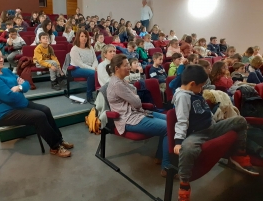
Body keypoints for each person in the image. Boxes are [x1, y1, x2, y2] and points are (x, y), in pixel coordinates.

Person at [172, 65, 258, 201]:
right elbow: (182, 120)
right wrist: (178, 141)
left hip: (211, 128)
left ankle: (238, 154)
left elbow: (206, 113)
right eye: (200, 86)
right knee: (187, 148)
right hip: (197, 133)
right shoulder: (183, 97)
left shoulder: (194, 92)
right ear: (192, 84)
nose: (201, 89)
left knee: (240, 121)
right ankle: (184, 184)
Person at [0, 46, 73, 158]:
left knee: (45, 109)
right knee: (39, 116)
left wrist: (19, 88)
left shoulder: (6, 71)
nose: (1, 59)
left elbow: (26, 83)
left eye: (1, 56)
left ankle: (59, 140)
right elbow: (11, 97)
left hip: (15, 105)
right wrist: (19, 88)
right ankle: (55, 147)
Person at [107, 54, 170, 176]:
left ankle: (160, 157)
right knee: (168, 128)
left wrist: (134, 95)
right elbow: (137, 101)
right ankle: (166, 166)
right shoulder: (117, 84)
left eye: (128, 65)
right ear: (116, 68)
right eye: (126, 65)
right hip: (128, 119)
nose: (129, 67)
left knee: (170, 121)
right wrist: (134, 96)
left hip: (137, 112)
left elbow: (134, 94)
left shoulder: (122, 81)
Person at [70, 30, 98, 102]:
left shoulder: (90, 47)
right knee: (92, 73)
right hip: (76, 69)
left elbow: (95, 59)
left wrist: (96, 67)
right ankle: (89, 95)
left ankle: (100, 94)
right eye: (82, 36)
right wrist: (93, 69)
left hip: (90, 67)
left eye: (86, 36)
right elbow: (80, 64)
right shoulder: (74, 49)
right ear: (78, 37)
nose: (84, 38)